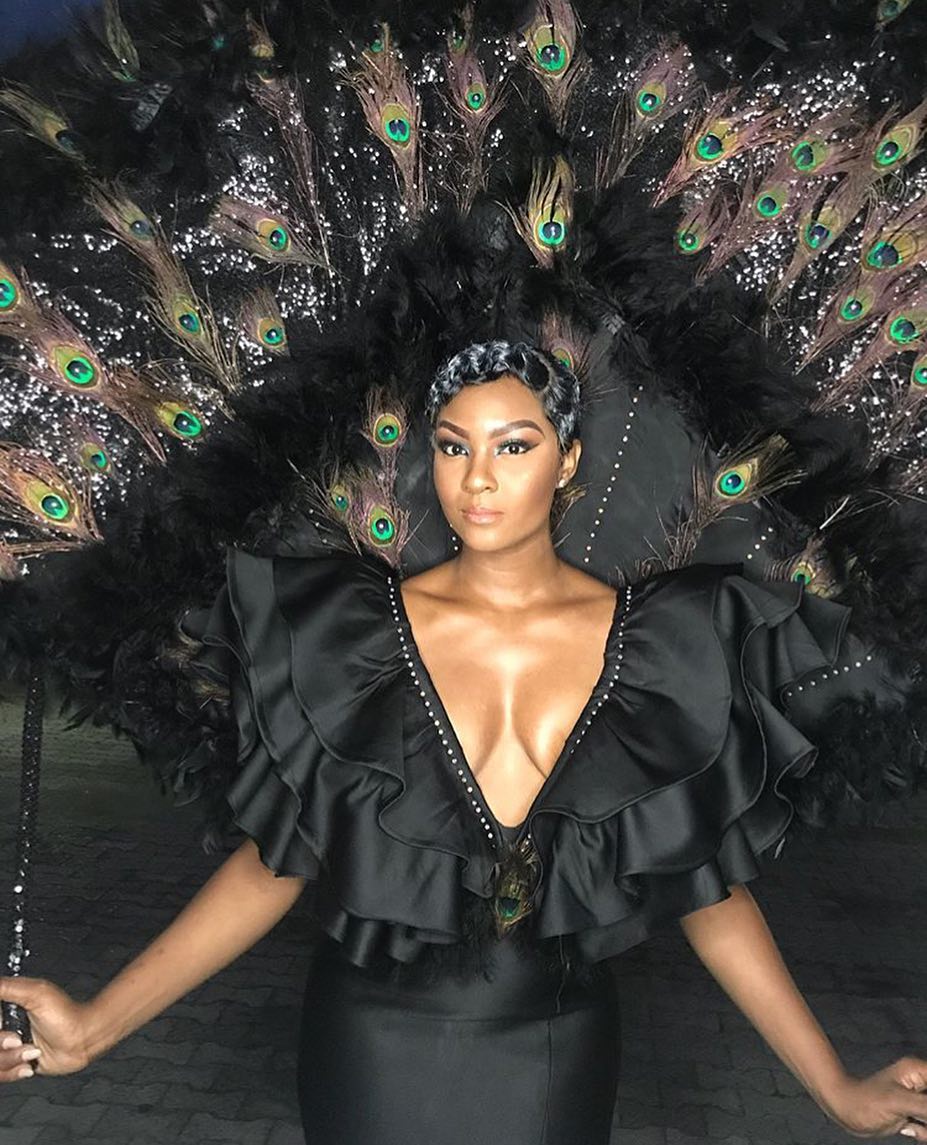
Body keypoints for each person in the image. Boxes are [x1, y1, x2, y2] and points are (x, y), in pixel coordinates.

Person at [1, 341, 926, 1144]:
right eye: (452, 446)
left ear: (567, 459)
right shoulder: (342, 631)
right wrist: (96, 1025)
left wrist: (831, 1085)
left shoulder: (673, 644)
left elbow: (706, 890)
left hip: (555, 1047)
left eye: (512, 445)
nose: (476, 478)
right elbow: (274, 864)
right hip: (371, 1042)